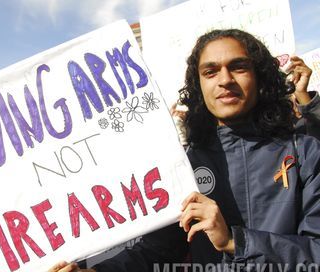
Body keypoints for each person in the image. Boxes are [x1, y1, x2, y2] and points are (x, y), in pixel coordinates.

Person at [51, 28, 320, 272]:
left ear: (259, 77)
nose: (225, 80)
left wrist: (234, 242)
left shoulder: (305, 153)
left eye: (238, 67)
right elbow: (158, 251)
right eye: (210, 71)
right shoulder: (185, 164)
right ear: (198, 85)